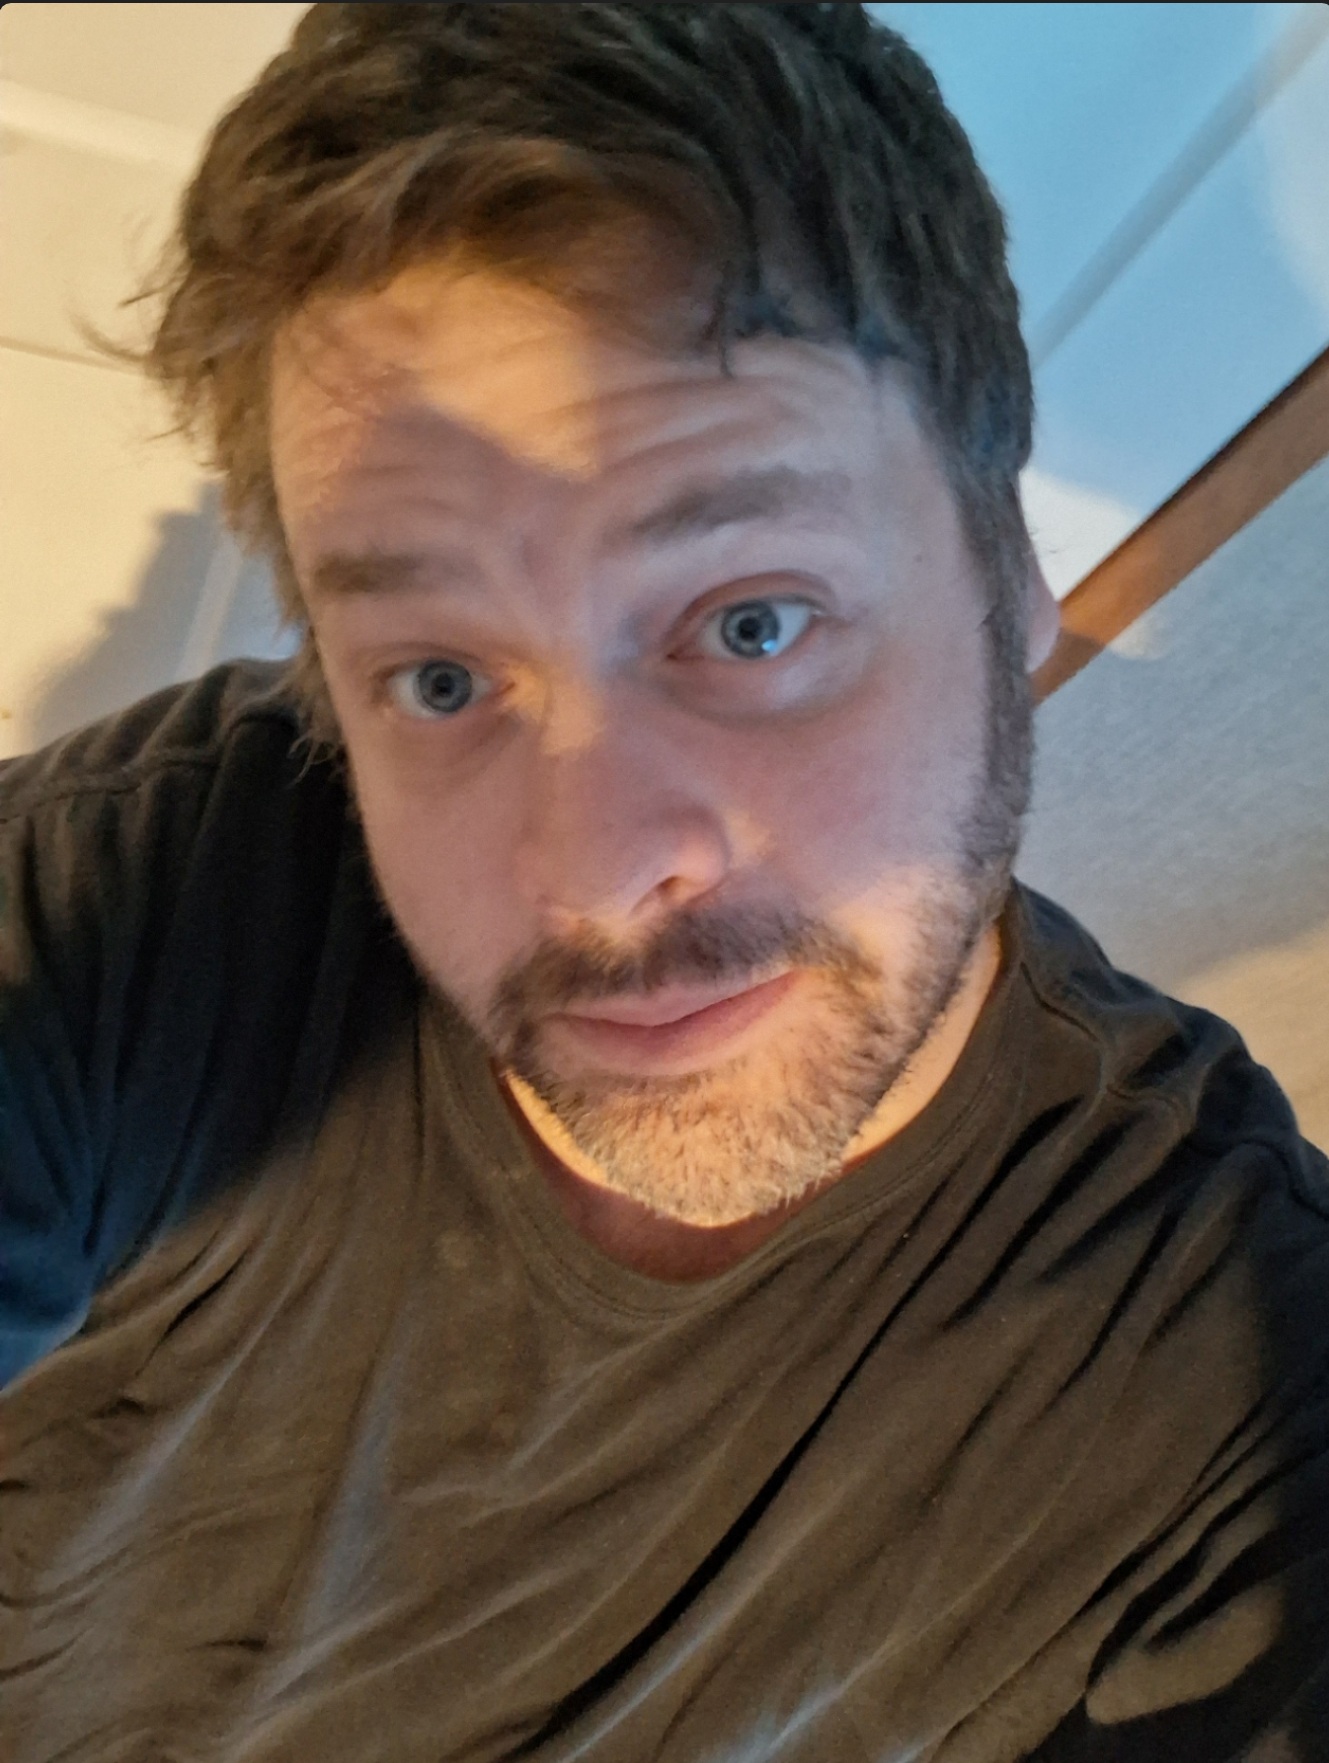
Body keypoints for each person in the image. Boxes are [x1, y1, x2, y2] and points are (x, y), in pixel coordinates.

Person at [2, 5, 1327, 1758]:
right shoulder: (145, 889)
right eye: (441, 678)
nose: (597, 877)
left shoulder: (1222, 1366)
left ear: (1012, 583)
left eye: (750, 624)